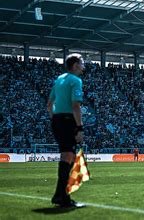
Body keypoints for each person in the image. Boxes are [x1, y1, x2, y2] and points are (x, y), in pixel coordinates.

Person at [47, 53, 85, 208]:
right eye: (82, 63)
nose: (83, 66)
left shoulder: (59, 79)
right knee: (68, 157)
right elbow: (76, 106)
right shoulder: (76, 81)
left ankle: (60, 195)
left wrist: (55, 120)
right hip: (68, 120)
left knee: (66, 156)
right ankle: (63, 197)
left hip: (57, 119)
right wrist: (79, 128)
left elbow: (49, 104)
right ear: (75, 65)